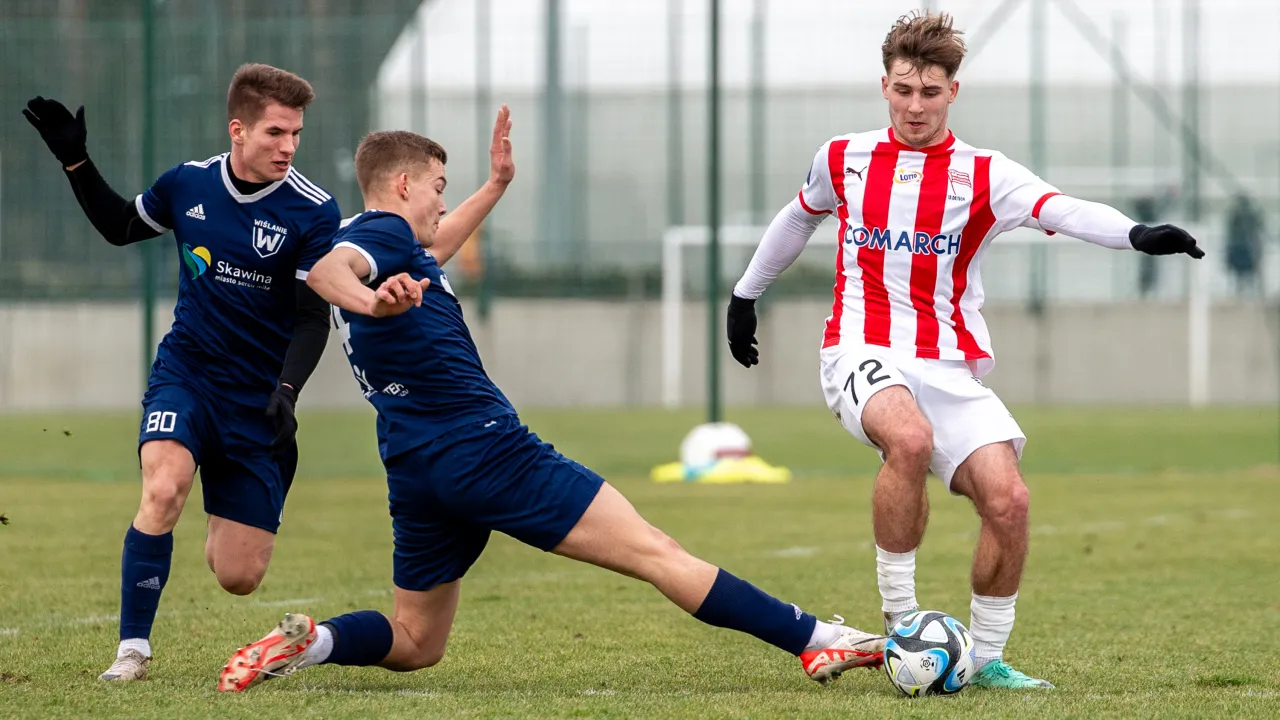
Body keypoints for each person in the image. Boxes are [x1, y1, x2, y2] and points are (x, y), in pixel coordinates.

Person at [216, 122, 885, 693]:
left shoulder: (397, 245)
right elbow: (333, 273)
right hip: (487, 451)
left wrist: (496, 186)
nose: (440, 205)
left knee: (418, 641)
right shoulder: (376, 246)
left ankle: (314, 643)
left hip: (416, 466)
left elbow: (434, 244)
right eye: (437, 189)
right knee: (657, 551)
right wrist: (372, 301)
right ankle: (819, 637)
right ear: (402, 187)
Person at [724, 11, 1203, 690]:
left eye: (929, 92)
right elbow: (800, 214)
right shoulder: (844, 158)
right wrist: (746, 294)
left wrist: (1137, 234)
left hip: (950, 364)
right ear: (883, 87)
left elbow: (1061, 209)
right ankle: (900, 626)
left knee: (1009, 502)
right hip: (861, 346)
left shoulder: (985, 174)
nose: (914, 105)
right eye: (902, 90)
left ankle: (984, 659)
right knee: (909, 441)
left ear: (953, 92)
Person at [23, 63, 341, 682]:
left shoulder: (314, 211)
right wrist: (76, 162)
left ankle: (226, 484)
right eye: (276, 132)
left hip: (257, 400)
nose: (289, 146)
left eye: (296, 134)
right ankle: (133, 650)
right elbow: (120, 228)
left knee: (239, 577)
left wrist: (286, 390)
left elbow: (311, 319)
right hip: (187, 373)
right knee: (164, 485)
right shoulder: (187, 184)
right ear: (238, 129)